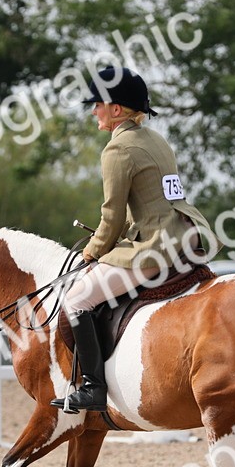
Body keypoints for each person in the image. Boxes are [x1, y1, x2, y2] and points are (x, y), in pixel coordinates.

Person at [51, 66, 213, 413]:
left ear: (117, 109)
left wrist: (92, 253)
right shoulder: (157, 140)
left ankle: (93, 387)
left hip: (155, 248)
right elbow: (153, 201)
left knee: (77, 298)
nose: (93, 109)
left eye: (98, 103)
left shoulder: (117, 150)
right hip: (186, 236)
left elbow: (111, 216)